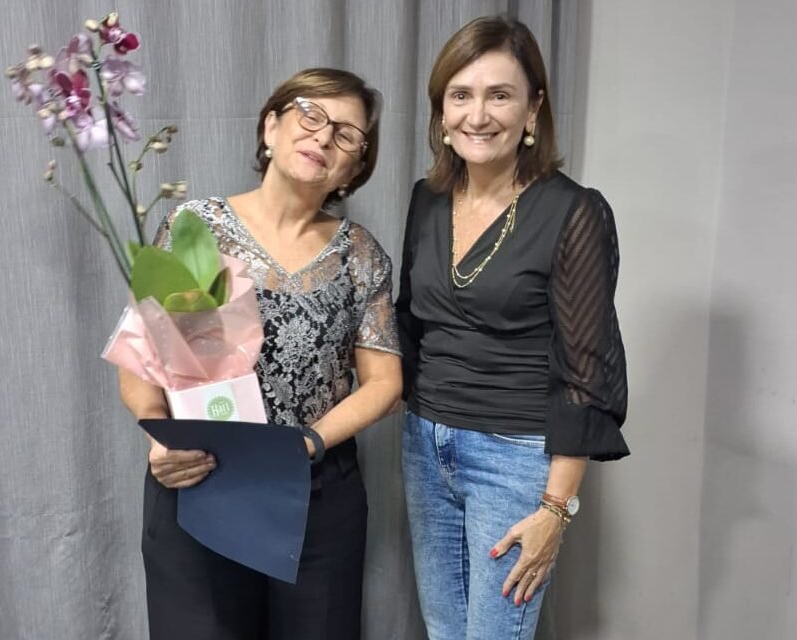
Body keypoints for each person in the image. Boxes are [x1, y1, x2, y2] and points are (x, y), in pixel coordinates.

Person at [119, 68, 402, 640]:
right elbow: (140, 361)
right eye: (311, 115)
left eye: (346, 134)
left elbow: (384, 382)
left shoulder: (361, 254)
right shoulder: (195, 227)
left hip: (317, 495)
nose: (323, 137)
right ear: (271, 126)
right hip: (202, 481)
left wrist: (307, 442)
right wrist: (160, 441)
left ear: (354, 168)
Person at [396, 16, 629, 640]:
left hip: (515, 456)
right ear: (441, 111)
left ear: (533, 109)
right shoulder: (428, 198)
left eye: (499, 95)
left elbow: (586, 368)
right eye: (461, 95)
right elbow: (409, 321)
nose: (478, 115)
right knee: (444, 632)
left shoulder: (574, 212)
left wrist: (556, 509)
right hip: (425, 444)